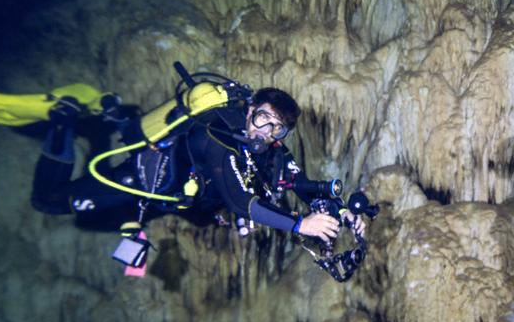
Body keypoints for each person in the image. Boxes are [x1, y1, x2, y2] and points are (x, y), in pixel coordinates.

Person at [31, 84, 364, 246]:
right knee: (48, 202)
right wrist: (299, 225)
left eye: (277, 127)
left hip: (183, 199)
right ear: (249, 111)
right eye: (263, 118)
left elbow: (300, 183)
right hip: (146, 179)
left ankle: (116, 120)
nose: (266, 132)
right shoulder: (216, 136)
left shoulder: (273, 149)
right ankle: (63, 121)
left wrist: (342, 212)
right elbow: (241, 202)